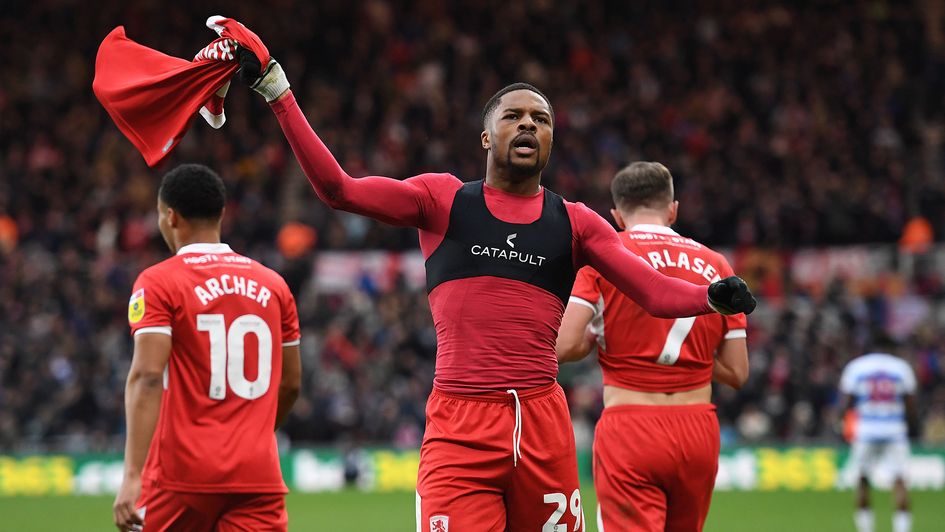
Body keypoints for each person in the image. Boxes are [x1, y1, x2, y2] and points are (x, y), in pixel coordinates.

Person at [234, 43, 755, 531]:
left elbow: (654, 291)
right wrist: (279, 92)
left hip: (544, 424)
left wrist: (710, 297)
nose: (528, 123)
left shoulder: (577, 223)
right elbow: (338, 189)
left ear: (550, 141)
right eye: (513, 116)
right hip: (460, 424)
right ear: (486, 137)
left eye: (541, 119)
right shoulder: (441, 200)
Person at [555, 162, 749, 531]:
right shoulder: (718, 264)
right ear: (673, 208)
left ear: (616, 215)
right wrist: (689, 356)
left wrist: (600, 338)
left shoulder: (604, 257)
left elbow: (564, 345)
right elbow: (738, 373)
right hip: (698, 429)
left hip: (631, 425)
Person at [112, 164, 302, 532]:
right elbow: (291, 385)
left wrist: (132, 474)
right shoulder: (275, 285)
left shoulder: (159, 282)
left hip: (180, 476)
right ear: (222, 213)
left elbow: (148, 377)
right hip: (257, 474)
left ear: (170, 216)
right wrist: (251, 433)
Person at [839, 338, 919, 532]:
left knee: (862, 479)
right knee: (899, 480)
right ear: (890, 348)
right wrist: (912, 428)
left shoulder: (857, 367)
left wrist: (845, 426)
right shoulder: (901, 368)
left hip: (866, 429)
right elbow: (909, 403)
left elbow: (848, 402)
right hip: (894, 429)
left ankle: (866, 529)